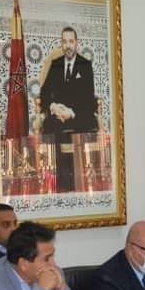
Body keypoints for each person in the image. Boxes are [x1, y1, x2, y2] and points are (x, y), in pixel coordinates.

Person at [39, 27, 97, 192]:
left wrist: (71, 113)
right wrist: (53, 107)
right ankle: (62, 183)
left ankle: (82, 180)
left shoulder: (85, 65)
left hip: (79, 114)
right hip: (59, 114)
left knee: (86, 123)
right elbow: (44, 93)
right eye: (64, 42)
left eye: (71, 41)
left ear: (76, 43)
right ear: (61, 43)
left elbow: (89, 97)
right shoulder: (55, 64)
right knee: (50, 124)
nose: (68, 46)